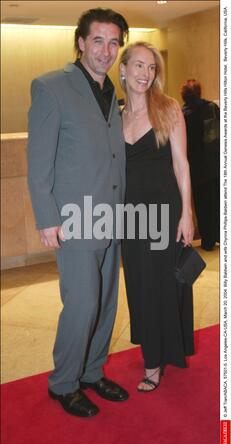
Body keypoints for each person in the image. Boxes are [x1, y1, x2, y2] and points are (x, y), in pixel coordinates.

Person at [28, 8, 129, 418]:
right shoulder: (52, 86)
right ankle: (64, 382)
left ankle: (91, 372)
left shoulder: (113, 93)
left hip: (113, 216)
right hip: (74, 220)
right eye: (99, 40)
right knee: (83, 303)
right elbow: (38, 162)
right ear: (81, 42)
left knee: (105, 303)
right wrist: (46, 217)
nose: (107, 50)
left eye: (114, 42)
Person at [119, 42, 195, 392]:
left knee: (164, 284)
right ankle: (153, 347)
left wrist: (187, 213)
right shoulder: (115, 116)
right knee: (139, 285)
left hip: (164, 212)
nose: (145, 74)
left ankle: (156, 360)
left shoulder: (168, 108)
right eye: (138, 66)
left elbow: (182, 165)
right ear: (123, 69)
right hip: (129, 216)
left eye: (151, 68)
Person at [181, 79, 220, 251]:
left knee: (202, 205)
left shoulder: (182, 114)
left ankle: (207, 240)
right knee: (217, 202)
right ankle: (220, 234)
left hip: (195, 168)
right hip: (214, 164)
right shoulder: (211, 107)